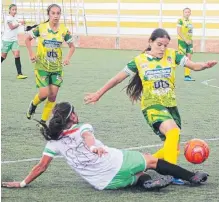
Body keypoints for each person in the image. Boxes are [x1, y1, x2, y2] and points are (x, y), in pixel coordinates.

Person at [84, 28, 217, 184]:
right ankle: (174, 174)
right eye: (159, 44)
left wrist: (205, 65)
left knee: (173, 148)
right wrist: (98, 94)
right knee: (173, 132)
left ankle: (145, 163)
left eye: (165, 45)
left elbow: (193, 65)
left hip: (170, 106)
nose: (162, 48)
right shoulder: (139, 61)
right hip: (152, 106)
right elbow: (117, 79)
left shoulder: (172, 55)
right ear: (150, 42)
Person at [2, 102, 208, 190]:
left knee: (136, 174)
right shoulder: (82, 127)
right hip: (115, 163)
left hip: (103, 184)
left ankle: (143, 182)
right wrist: (93, 148)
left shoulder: (53, 142)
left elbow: (41, 167)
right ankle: (192, 177)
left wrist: (22, 183)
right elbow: (88, 138)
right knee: (152, 160)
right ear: (72, 116)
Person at [25, 4, 75, 124]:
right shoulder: (41, 28)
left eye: (58, 13)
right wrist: (31, 53)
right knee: (44, 94)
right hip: (42, 66)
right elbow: (27, 39)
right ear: (49, 14)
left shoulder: (64, 30)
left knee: (52, 96)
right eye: (53, 13)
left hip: (57, 68)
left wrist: (67, 58)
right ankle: (33, 104)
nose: (56, 16)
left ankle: (42, 122)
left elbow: (72, 46)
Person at [1, 4, 27, 79]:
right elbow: (11, 27)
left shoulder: (15, 17)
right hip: (6, 40)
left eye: (15, 9)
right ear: (9, 10)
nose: (14, 11)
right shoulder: (8, 18)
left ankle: (19, 74)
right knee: (3, 56)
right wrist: (19, 23)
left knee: (17, 54)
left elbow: (17, 23)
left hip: (14, 40)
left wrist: (22, 22)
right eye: (13, 9)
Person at [177, 8, 194, 81]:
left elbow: (190, 31)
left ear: (190, 13)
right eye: (186, 12)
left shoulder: (190, 21)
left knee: (189, 58)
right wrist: (185, 40)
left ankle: (187, 76)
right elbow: (179, 32)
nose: (187, 13)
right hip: (182, 41)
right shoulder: (180, 20)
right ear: (183, 13)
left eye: (188, 12)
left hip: (189, 42)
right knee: (180, 59)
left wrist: (190, 39)